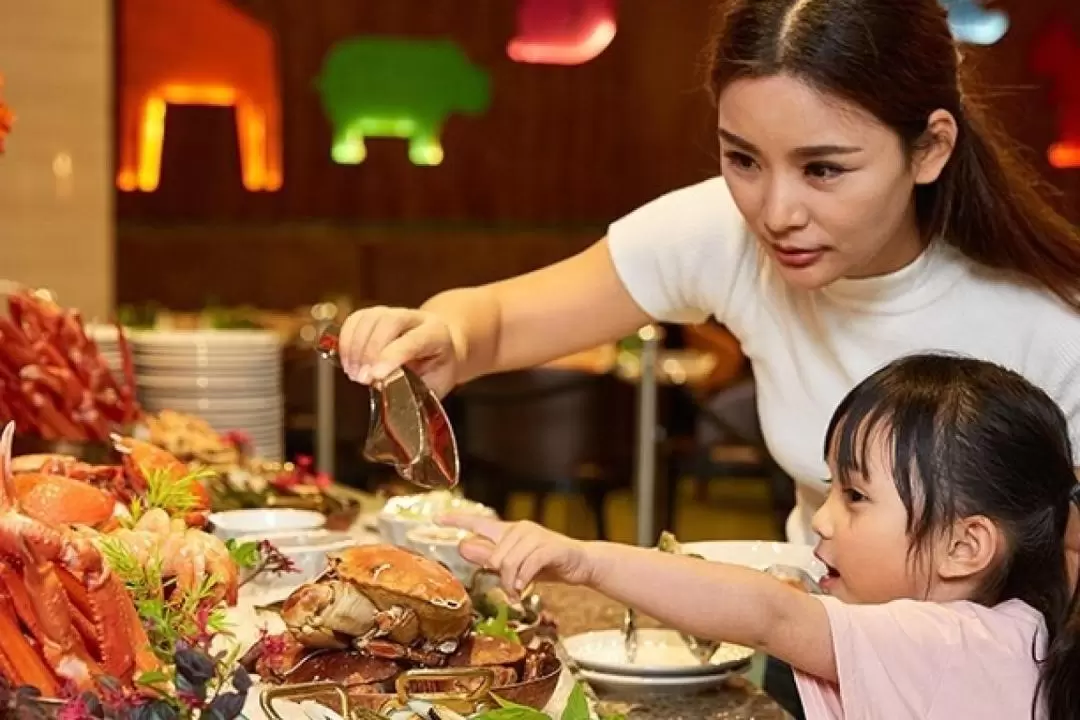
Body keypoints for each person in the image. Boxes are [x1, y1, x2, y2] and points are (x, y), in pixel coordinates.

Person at [337, 0, 1080, 712]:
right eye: (743, 158)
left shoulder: (1043, 326)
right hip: (806, 653)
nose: (776, 212)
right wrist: (442, 337)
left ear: (930, 148)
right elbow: (494, 321)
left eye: (824, 169)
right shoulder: (727, 231)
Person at [443, 354, 1080, 719]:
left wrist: (582, 560)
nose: (824, 520)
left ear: (964, 547)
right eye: (831, 489)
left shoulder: (951, 643)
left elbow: (770, 616)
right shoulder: (1008, 629)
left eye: (855, 497)